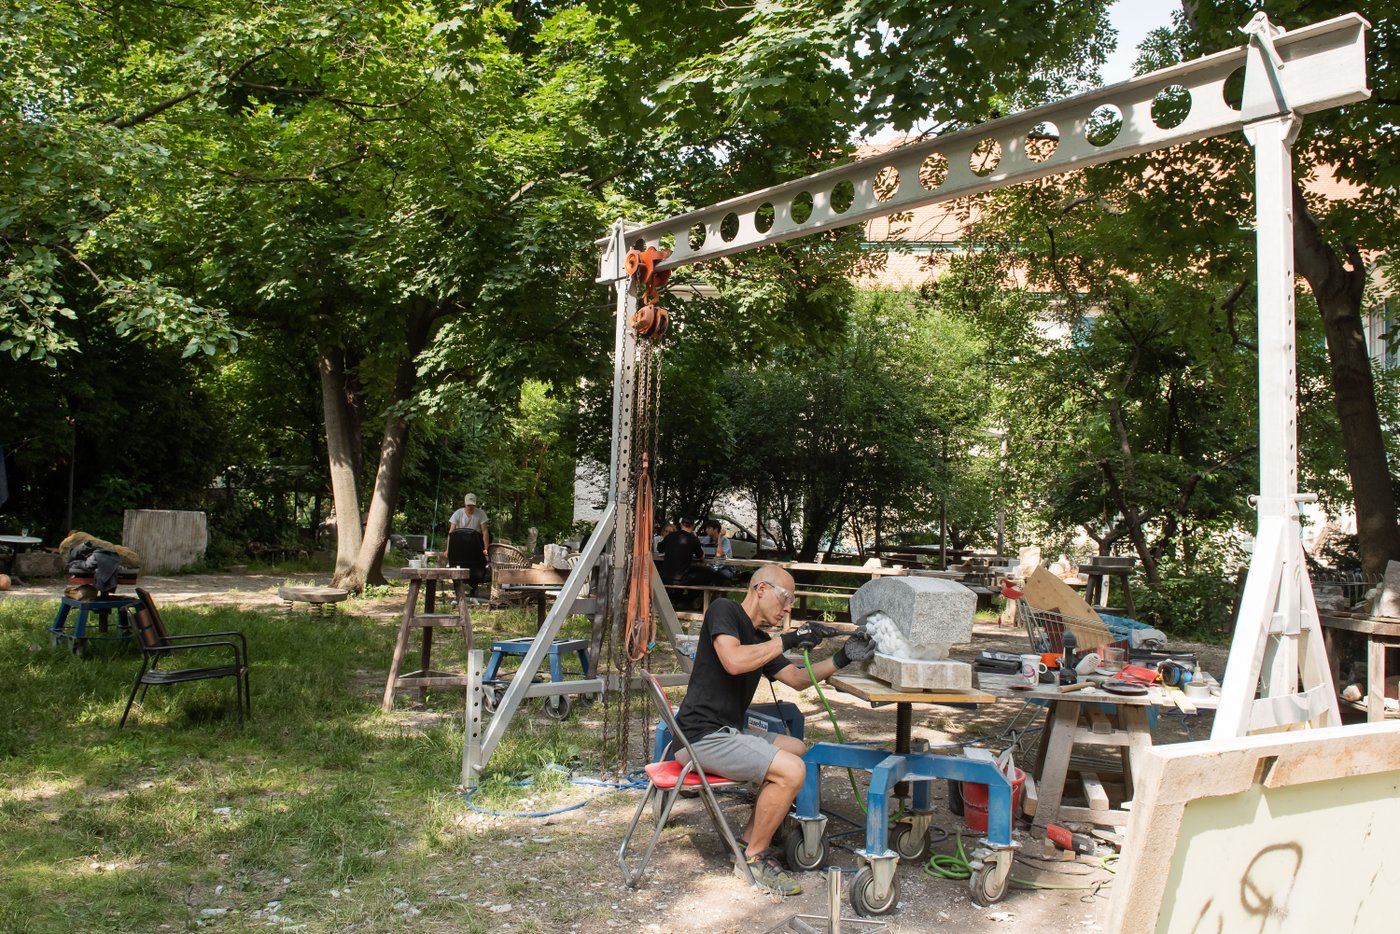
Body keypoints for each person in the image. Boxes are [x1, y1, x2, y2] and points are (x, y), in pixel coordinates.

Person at [673, 564, 875, 895]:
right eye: (785, 598)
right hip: (700, 736)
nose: (787, 608)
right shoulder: (725, 610)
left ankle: (750, 837)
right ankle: (754, 858)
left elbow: (796, 679)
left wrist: (841, 658)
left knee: (797, 750)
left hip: (727, 731)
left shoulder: (761, 640)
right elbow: (733, 661)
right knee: (791, 770)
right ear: (761, 589)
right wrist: (789, 639)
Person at [447, 493, 491, 598]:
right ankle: (458, 586)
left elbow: (485, 532)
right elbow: (451, 533)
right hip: (460, 546)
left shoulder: (481, 514)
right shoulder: (457, 513)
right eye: (468, 505)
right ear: (465, 504)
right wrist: (448, 549)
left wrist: (486, 548)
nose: (470, 507)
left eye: (472, 505)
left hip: (475, 546)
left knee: (477, 562)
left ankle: (474, 586)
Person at [659, 517, 706, 586]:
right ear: (693, 526)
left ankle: (678, 596)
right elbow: (702, 557)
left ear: (681, 525)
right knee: (707, 577)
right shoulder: (693, 539)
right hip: (682, 579)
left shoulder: (670, 536)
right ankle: (688, 597)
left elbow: (660, 549)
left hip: (664, 577)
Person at [700, 518, 738, 583]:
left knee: (718, 574)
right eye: (706, 528)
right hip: (711, 567)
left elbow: (719, 554)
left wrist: (719, 538)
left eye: (709, 528)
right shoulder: (705, 540)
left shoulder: (725, 541)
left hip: (725, 568)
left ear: (716, 529)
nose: (706, 530)